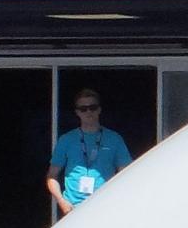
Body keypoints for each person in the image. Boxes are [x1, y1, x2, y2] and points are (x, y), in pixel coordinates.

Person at [47, 89, 132, 217]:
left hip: (104, 206)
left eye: (92, 107)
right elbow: (52, 176)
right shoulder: (66, 140)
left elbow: (126, 173)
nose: (88, 112)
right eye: (83, 109)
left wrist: (117, 199)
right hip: (72, 208)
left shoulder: (114, 139)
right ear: (77, 112)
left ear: (99, 110)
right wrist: (61, 201)